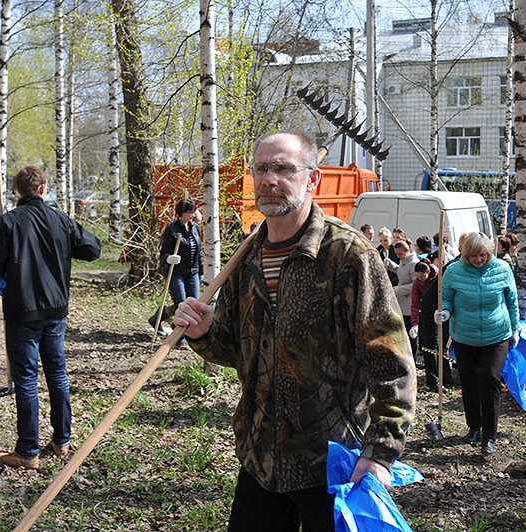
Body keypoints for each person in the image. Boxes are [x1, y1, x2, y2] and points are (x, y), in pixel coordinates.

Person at [172, 132, 416, 530]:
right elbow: (238, 350)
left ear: (313, 178)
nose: (270, 179)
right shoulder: (245, 259)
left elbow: (390, 362)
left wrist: (381, 451)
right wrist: (203, 333)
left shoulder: (347, 255)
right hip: (260, 460)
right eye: (262, 169)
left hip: (332, 463)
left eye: (284, 168)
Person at [0, 166, 101, 469]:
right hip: (55, 310)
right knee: (57, 374)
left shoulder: (7, 223)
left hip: (23, 312)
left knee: (26, 380)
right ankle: (62, 441)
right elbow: (93, 249)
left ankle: (27, 452)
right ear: (44, 189)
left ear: (18, 191)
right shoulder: (61, 220)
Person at [436, 232, 519, 457]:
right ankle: (474, 426)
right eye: (473, 256)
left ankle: (489, 435)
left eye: (482, 255)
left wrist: (514, 328)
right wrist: (445, 312)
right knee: (470, 382)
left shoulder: (502, 269)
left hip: (496, 334)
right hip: (465, 335)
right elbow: (446, 298)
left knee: (490, 379)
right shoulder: (453, 271)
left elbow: (511, 299)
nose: (478, 260)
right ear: (465, 254)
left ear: (489, 252)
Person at [148, 199, 203, 344]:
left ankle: (158, 318)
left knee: (193, 305)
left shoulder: (195, 228)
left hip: (193, 272)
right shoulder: (172, 230)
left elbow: (199, 252)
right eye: (190, 212)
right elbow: (163, 253)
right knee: (181, 305)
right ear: (181, 213)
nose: (193, 215)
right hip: (176, 273)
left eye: (193, 212)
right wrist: (168, 258)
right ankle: (180, 338)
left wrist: (201, 271)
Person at [385, 240, 420, 359]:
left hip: (410, 304)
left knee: (410, 335)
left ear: (407, 250)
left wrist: (399, 290)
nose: (398, 256)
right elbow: (401, 272)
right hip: (402, 302)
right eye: (396, 254)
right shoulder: (403, 261)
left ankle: (412, 358)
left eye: (400, 254)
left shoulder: (414, 263)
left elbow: (415, 284)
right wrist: (391, 265)